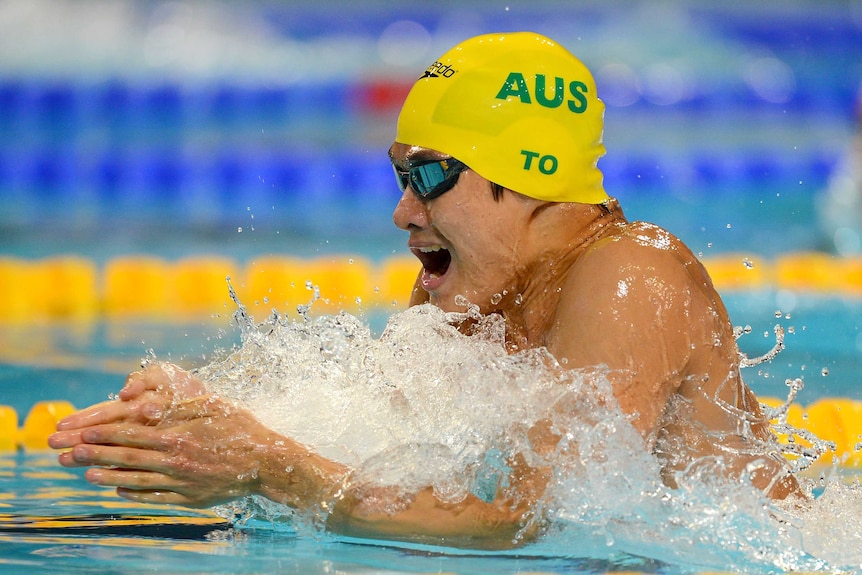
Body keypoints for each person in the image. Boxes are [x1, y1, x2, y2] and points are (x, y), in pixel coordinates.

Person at [49, 32, 802, 550]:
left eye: (434, 175)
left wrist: (268, 465)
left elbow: (523, 516)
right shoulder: (477, 292)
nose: (404, 211)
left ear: (531, 173)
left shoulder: (632, 276)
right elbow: (368, 409)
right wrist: (192, 410)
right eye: (402, 175)